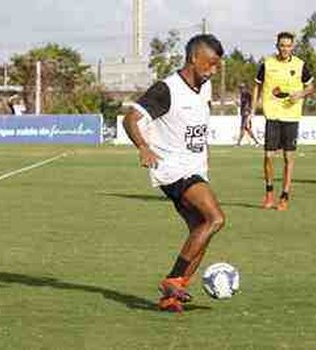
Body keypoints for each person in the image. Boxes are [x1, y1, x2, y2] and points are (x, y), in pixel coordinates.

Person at [122, 34, 225, 313]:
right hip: (173, 169)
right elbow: (130, 117)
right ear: (194, 58)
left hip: (194, 168)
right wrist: (143, 147)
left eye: (217, 66)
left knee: (199, 230)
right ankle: (173, 280)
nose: (214, 70)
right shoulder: (167, 89)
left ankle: (171, 296)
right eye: (211, 64)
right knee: (215, 219)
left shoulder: (204, 87)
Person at [252, 31, 315, 211]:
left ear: (292, 47)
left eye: (288, 45)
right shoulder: (267, 63)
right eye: (282, 45)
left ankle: (284, 196)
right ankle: (269, 194)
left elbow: (311, 86)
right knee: (268, 156)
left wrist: (300, 93)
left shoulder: (300, 65)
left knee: (289, 158)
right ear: (277, 46)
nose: (285, 49)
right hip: (272, 115)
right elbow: (257, 85)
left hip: (291, 116)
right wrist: (253, 109)